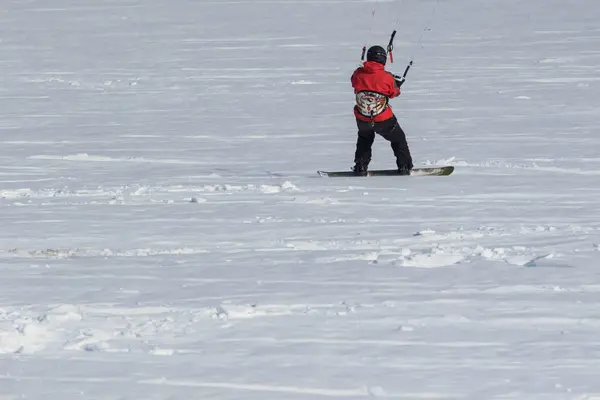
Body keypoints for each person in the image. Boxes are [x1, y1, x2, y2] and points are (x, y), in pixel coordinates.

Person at [350, 45, 413, 175]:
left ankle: (360, 166)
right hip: (383, 119)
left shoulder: (358, 73)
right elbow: (394, 93)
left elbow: (354, 83)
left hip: (362, 118)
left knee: (365, 138)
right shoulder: (387, 77)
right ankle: (405, 166)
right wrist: (397, 85)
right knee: (398, 139)